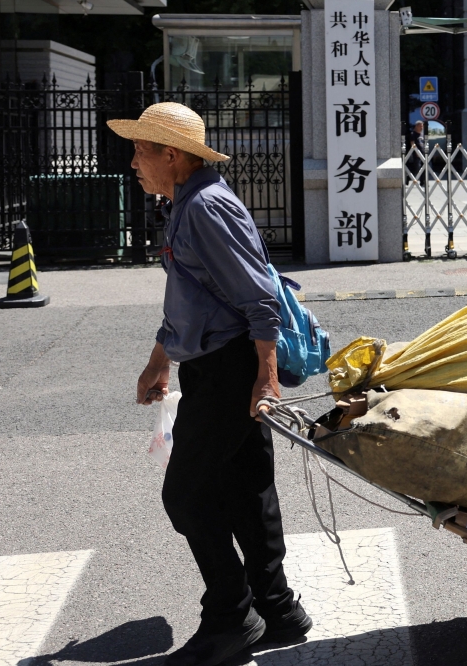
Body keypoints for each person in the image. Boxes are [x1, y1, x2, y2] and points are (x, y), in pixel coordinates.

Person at [108, 102, 312, 666]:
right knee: (245, 488)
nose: (133, 163)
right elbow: (192, 296)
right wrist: (162, 357)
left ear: (171, 156)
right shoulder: (186, 204)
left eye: (141, 151)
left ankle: (230, 616)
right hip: (215, 364)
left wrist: (266, 376)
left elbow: (259, 299)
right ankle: (278, 609)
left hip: (229, 370)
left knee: (188, 494)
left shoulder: (205, 209)